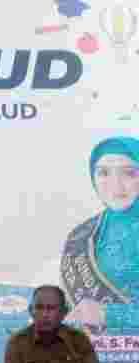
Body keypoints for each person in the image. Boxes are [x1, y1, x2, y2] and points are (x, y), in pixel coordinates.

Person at [62, 137, 139, 338]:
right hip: (87, 349)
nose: (116, 185)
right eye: (104, 173)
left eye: (129, 173)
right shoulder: (83, 233)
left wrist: (108, 314)